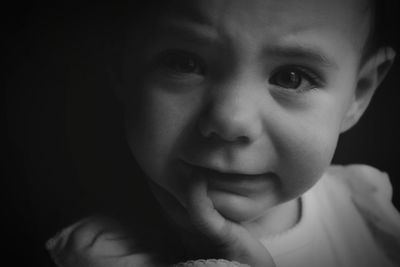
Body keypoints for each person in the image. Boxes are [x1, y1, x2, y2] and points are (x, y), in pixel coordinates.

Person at [45, 0, 400, 266]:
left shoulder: (363, 215)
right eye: (186, 63)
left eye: (291, 77)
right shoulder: (102, 254)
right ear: (123, 66)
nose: (231, 122)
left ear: (359, 92)